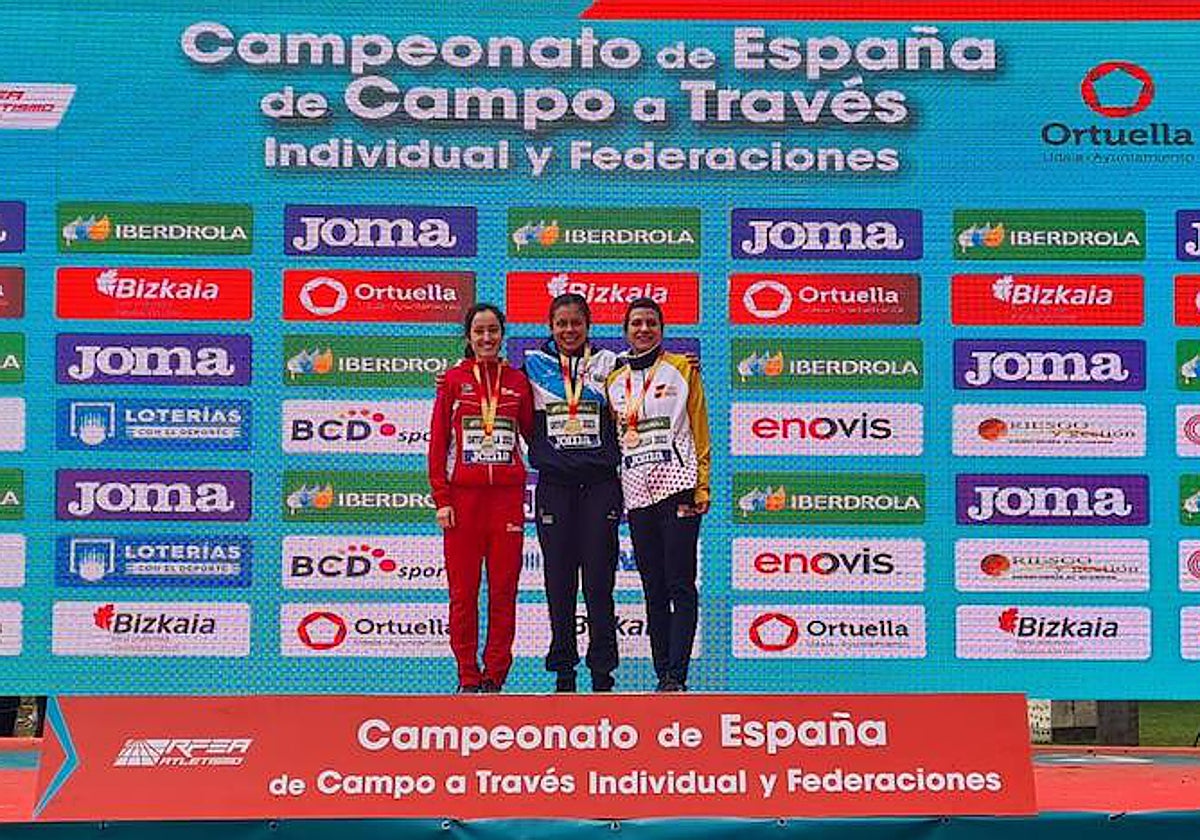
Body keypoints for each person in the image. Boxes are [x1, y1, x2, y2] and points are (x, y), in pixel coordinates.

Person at [428, 303, 534, 693]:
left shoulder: (518, 381)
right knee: (463, 594)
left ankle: (495, 676)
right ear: (469, 337)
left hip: (506, 501)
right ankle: (467, 675)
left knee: (504, 592)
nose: (487, 338)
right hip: (463, 502)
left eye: (493, 331)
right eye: (479, 332)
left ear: (502, 335)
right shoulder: (453, 381)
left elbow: (533, 433)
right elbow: (438, 444)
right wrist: (442, 498)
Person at [606, 298, 710, 692]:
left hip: (678, 486)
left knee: (680, 584)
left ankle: (676, 676)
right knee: (652, 587)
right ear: (625, 331)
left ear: (661, 329)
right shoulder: (615, 380)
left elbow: (699, 427)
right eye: (636, 323)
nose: (644, 329)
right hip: (637, 494)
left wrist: (702, 484)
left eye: (651, 322)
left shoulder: (682, 368)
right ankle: (661, 671)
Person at [523, 293, 622, 693]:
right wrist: (453, 374)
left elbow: (648, 385)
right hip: (555, 487)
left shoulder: (610, 365)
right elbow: (493, 384)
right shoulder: (533, 366)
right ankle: (564, 671)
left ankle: (602, 673)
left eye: (575, 323)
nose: (568, 330)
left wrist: (685, 368)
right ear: (550, 327)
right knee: (559, 582)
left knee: (599, 583)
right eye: (561, 323)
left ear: (588, 326)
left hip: (600, 486)